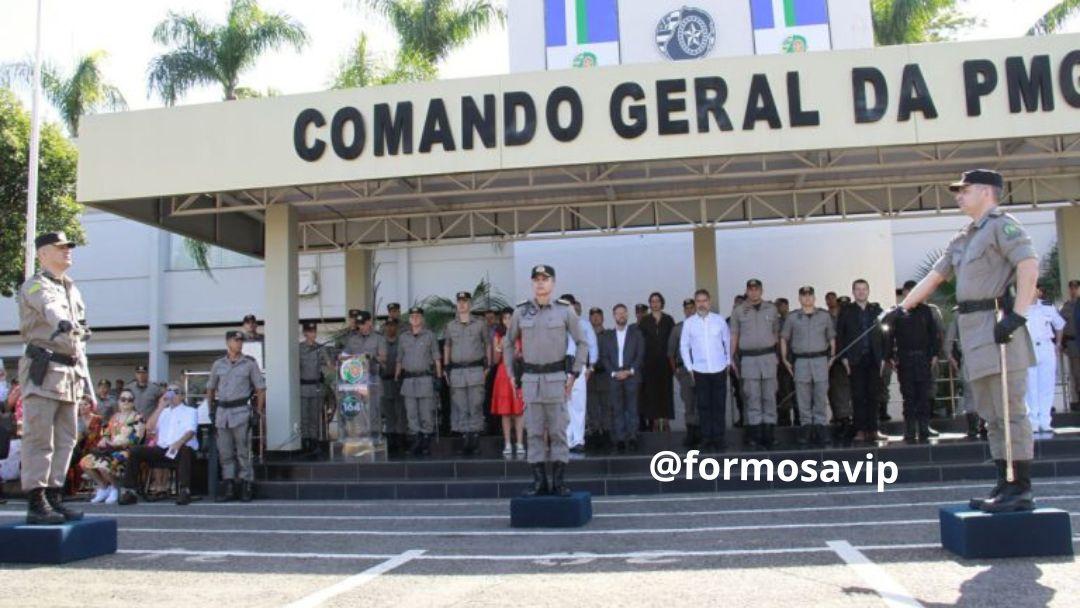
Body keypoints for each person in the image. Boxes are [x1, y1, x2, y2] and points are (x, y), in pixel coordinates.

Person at [900, 169, 1038, 512]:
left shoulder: (1002, 226)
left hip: (998, 326)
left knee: (1010, 412)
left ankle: (1020, 487)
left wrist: (1018, 315)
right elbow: (936, 274)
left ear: (987, 192)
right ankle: (1003, 482)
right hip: (974, 331)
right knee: (991, 414)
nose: (959, 196)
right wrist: (902, 306)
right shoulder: (964, 237)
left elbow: (1028, 265)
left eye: (965, 190)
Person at [17, 231, 93, 524]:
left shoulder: (72, 288)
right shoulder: (36, 285)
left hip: (69, 371)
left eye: (68, 248)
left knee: (66, 438)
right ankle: (36, 501)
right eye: (60, 248)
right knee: (40, 437)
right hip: (45, 369)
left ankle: (53, 496)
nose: (67, 252)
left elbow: (79, 330)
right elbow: (49, 308)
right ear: (43, 254)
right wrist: (61, 322)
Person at [508, 265, 587, 496]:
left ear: (553, 283)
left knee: (558, 432)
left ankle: (559, 482)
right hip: (531, 380)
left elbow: (582, 342)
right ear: (532, 283)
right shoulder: (521, 312)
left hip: (556, 379)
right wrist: (511, 373)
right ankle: (539, 482)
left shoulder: (565, 311)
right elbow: (508, 343)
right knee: (533, 432)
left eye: (545, 279)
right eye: (536, 279)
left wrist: (574, 372)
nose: (540, 283)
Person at [206, 330, 265, 502]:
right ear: (227, 342)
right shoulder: (218, 364)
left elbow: (260, 388)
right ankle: (229, 486)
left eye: (241, 341)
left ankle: (246, 484)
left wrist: (258, 411)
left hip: (241, 411)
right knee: (225, 452)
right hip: (222, 412)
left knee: (243, 451)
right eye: (236, 340)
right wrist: (211, 410)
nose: (239, 343)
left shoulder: (249, 363)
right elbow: (210, 388)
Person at [119, 383, 198, 506]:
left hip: (181, 448)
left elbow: (191, 431)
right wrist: (160, 406)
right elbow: (149, 428)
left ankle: (184, 490)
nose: (171, 394)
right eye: (169, 391)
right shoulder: (163, 411)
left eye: (175, 391)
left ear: (182, 396)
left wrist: (179, 443)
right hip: (162, 449)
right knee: (135, 451)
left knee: (184, 449)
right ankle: (130, 491)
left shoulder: (190, 411)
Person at [885, 280, 942, 443]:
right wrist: (890, 357)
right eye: (908, 292)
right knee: (908, 396)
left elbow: (934, 335)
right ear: (903, 294)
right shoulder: (897, 313)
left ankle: (924, 428)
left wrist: (934, 355)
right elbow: (889, 336)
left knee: (923, 395)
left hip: (923, 358)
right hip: (905, 359)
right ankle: (910, 430)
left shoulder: (926, 311)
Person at [780, 286, 835, 447]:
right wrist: (784, 358)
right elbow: (784, 337)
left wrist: (832, 357)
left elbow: (831, 337)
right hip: (801, 361)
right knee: (803, 396)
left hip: (820, 359)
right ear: (799, 298)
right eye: (804, 296)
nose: (807, 298)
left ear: (814, 297)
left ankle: (820, 427)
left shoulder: (824, 316)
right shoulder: (792, 317)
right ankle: (806, 428)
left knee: (820, 394)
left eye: (810, 295)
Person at [730, 279, 781, 449]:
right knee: (752, 397)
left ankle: (769, 434)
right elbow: (734, 336)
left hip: (767, 357)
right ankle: (754, 434)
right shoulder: (738, 311)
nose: (753, 292)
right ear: (746, 291)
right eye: (750, 289)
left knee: (769, 396)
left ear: (761, 291)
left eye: (756, 289)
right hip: (749, 360)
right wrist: (731, 357)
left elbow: (776, 332)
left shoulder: (771, 309)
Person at [680, 289, 732, 451]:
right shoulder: (689, 323)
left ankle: (719, 437)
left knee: (718, 405)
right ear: (695, 303)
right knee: (703, 406)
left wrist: (728, 362)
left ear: (709, 302)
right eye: (698, 301)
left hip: (719, 368)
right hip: (700, 370)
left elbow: (727, 342)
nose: (701, 304)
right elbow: (684, 346)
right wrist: (689, 368)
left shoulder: (719, 321)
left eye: (704, 300)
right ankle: (706, 437)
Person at [837, 279, 886, 444]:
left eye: (864, 289)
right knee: (857, 396)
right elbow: (841, 335)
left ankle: (873, 429)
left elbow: (885, 335)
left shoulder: (877, 310)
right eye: (858, 289)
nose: (861, 292)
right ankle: (860, 430)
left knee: (873, 395)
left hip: (873, 359)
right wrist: (843, 358)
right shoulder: (846, 311)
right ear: (853, 292)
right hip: (854, 360)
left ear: (868, 291)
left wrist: (884, 358)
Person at [444, 291, 492, 456]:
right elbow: (447, 346)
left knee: (476, 404)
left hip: (476, 370)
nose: (462, 304)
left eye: (465, 301)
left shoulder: (480, 324)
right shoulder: (450, 326)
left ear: (470, 304)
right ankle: (466, 438)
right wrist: (446, 366)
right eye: (459, 301)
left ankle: (476, 438)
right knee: (460, 405)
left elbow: (487, 343)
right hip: (457, 371)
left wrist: (488, 364)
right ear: (457, 304)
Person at [80, 388, 145, 505]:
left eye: (129, 400)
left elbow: (136, 439)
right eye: (123, 399)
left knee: (103, 465)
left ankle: (115, 488)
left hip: (126, 451)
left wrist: (117, 444)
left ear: (133, 402)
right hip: (109, 449)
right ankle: (104, 487)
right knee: (84, 462)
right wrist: (104, 440)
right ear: (119, 401)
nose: (126, 402)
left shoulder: (138, 417)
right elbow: (106, 433)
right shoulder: (114, 417)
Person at [396, 306, 442, 456]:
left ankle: (426, 442)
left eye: (417, 316)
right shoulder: (403, 337)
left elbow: (436, 358)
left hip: (425, 379)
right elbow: (399, 360)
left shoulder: (430, 336)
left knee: (426, 413)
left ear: (422, 319)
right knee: (411, 413)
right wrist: (397, 376)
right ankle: (416, 441)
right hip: (409, 380)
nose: (415, 318)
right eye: (412, 316)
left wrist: (439, 377)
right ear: (409, 319)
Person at [599, 304, 645, 453]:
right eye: (618, 313)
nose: (621, 316)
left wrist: (630, 371)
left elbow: (640, 354)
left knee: (632, 408)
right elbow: (604, 357)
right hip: (614, 376)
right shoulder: (607, 336)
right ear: (614, 316)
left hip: (631, 375)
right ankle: (619, 438)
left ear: (627, 315)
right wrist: (613, 373)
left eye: (624, 313)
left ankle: (632, 437)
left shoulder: (636, 334)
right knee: (617, 409)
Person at [340, 310, 388, 444]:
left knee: (374, 410)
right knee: (358, 410)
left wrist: (371, 357)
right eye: (359, 324)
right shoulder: (353, 339)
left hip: (373, 378)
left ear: (370, 323)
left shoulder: (379, 338)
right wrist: (343, 358)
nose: (361, 327)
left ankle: (375, 439)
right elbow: (343, 356)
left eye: (363, 324)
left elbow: (384, 358)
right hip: (356, 381)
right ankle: (360, 438)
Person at [1025, 283, 1065, 436]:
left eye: (1035, 288)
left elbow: (1060, 324)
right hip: (1029, 348)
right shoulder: (1021, 308)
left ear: (1039, 292)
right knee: (1031, 386)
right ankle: (1033, 422)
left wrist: (1058, 344)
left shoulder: (1047, 307)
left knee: (1047, 385)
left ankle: (1045, 421)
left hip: (1047, 347)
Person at [560, 294, 597, 455]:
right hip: (561, 366)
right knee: (564, 405)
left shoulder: (583, 324)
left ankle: (579, 440)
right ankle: (567, 439)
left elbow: (592, 345)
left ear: (573, 305)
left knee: (579, 405)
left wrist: (591, 367)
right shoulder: (556, 325)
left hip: (578, 364)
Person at [638, 292, 675, 431]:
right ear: (650, 303)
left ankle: (665, 420)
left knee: (666, 391)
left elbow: (672, 341)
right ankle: (653, 420)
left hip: (665, 362)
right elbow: (641, 342)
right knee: (651, 392)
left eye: (657, 301)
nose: (655, 304)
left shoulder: (668, 319)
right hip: (649, 362)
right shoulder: (645, 321)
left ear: (662, 303)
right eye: (652, 301)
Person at [491, 308, 525, 458]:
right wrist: (499, 348)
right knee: (505, 412)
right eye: (505, 318)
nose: (508, 321)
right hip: (503, 374)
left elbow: (526, 357)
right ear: (502, 321)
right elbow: (495, 360)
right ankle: (507, 443)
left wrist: (518, 354)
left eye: (510, 318)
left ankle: (519, 443)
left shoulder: (522, 335)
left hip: (518, 373)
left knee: (519, 411)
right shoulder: (498, 336)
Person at [945, 309, 983, 439]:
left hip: (978, 355)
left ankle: (978, 427)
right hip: (972, 356)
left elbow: (949, 340)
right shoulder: (959, 313)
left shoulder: (959, 312)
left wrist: (949, 355)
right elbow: (949, 339)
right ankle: (977, 426)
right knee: (973, 393)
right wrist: (950, 356)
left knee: (974, 393)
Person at [669, 298, 699, 448]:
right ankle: (691, 433)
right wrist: (677, 373)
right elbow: (670, 353)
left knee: (702, 403)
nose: (689, 310)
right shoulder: (678, 329)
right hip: (685, 372)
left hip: (702, 370)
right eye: (687, 308)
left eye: (692, 307)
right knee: (689, 404)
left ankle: (702, 433)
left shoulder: (703, 326)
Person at [299, 321, 331, 457]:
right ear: (305, 333)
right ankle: (304, 442)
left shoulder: (320, 348)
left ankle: (314, 442)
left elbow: (329, 364)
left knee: (314, 417)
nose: (313, 334)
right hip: (303, 387)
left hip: (316, 387)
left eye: (314, 331)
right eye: (310, 331)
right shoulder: (299, 348)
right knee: (304, 417)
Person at [380, 319, 409, 455]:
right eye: (388, 326)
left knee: (401, 412)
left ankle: (402, 440)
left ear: (397, 327)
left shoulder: (402, 341)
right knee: (388, 412)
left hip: (399, 381)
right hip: (384, 381)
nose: (390, 328)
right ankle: (391, 441)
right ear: (385, 327)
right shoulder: (380, 342)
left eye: (393, 326)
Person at [586, 307, 613, 451]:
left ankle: (607, 433)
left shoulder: (609, 335)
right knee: (592, 407)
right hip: (590, 377)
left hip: (605, 376)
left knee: (606, 407)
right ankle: (595, 433)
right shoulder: (586, 335)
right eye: (593, 316)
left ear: (602, 318)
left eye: (598, 315)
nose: (596, 318)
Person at [774, 298, 797, 427]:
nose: (780, 308)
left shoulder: (794, 320)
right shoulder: (776, 323)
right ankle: (785, 418)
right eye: (778, 306)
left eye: (782, 305)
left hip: (794, 360)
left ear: (787, 306)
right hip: (781, 363)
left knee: (797, 390)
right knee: (783, 390)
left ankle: (799, 418)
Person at [1059, 280, 1080, 412]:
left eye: (1076, 288)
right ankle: (1077, 401)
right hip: (1074, 345)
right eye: (1071, 288)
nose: (1073, 290)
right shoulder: (1067, 306)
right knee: (1076, 374)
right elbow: (1060, 324)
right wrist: (1062, 343)